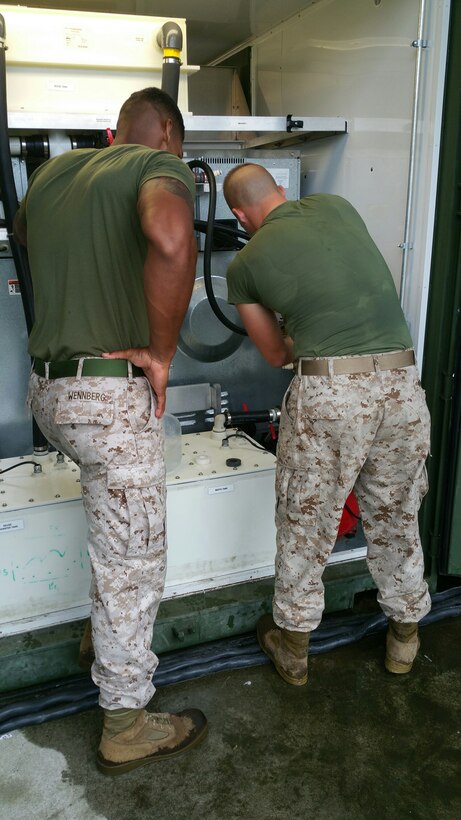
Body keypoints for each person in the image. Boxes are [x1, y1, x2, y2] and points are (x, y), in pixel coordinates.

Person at [13, 87, 208, 775]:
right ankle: (125, 722)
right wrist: (159, 351)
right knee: (133, 560)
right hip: (108, 395)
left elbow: (34, 240)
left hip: (48, 390)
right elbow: (168, 235)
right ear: (164, 137)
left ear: (112, 130)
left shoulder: (53, 175)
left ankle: (103, 644)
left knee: (111, 531)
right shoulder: (157, 166)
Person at [223, 163, 431, 686]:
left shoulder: (244, 264)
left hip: (331, 393)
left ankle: (292, 647)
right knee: (397, 514)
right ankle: (405, 639)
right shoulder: (338, 206)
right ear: (283, 190)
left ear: (238, 215)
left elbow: (273, 353)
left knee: (306, 520)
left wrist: (304, 336)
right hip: (403, 383)